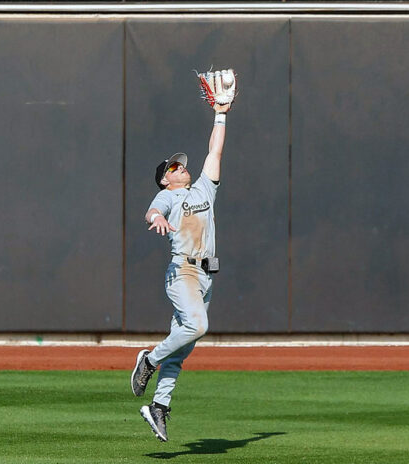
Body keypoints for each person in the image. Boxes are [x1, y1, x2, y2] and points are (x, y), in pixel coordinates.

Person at [131, 99, 231, 443]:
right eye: (173, 168)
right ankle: (148, 360)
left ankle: (158, 406)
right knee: (198, 325)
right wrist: (156, 217)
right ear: (164, 179)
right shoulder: (169, 199)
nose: (180, 168)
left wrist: (220, 114)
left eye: (181, 165)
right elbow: (152, 212)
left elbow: (214, 153)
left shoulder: (203, 189)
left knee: (183, 347)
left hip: (206, 278)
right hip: (182, 273)